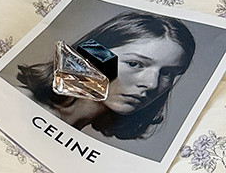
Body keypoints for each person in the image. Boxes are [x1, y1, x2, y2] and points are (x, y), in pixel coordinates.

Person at [16, 11, 196, 140]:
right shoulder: (22, 103)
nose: (151, 84)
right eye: (134, 64)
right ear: (93, 53)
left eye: (167, 73)